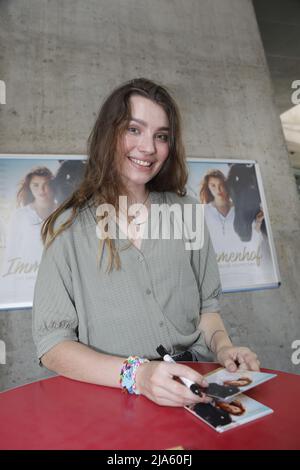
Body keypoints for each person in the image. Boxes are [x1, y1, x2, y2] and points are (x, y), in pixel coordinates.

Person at [32, 78, 260, 408]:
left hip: (193, 387)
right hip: (116, 401)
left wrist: (224, 347)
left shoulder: (187, 212)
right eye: (134, 129)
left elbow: (206, 311)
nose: (149, 147)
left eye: (161, 136)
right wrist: (138, 376)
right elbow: (53, 346)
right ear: (108, 134)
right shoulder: (69, 229)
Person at [199, 169, 264, 289]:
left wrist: (259, 221)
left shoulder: (240, 208)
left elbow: (253, 239)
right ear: (208, 187)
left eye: (221, 185)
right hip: (215, 275)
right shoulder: (202, 212)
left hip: (242, 270)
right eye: (213, 185)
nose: (218, 190)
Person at [1, 167, 57, 283]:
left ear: (53, 186)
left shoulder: (64, 212)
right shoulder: (20, 215)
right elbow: (11, 252)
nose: (41, 190)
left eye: (46, 184)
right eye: (35, 185)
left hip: (57, 278)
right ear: (29, 187)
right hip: (28, 277)